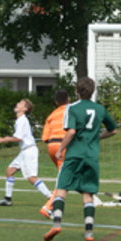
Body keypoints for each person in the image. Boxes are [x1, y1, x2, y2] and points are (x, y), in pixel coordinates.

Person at [43, 77, 117, 241]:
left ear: (77, 91)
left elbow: (71, 132)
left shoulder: (72, 108)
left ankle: (56, 224)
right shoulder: (100, 109)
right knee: (87, 193)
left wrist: (60, 149)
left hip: (74, 154)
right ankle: (89, 233)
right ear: (93, 91)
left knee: (62, 188)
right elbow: (113, 130)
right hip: (91, 156)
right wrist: (97, 137)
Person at [0, 98, 52, 208]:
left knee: (31, 178)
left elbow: (18, 138)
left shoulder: (22, 120)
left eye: (20, 103)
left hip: (29, 151)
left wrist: (4, 139)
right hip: (24, 151)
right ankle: (7, 199)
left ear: (25, 109)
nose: (17, 104)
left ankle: (51, 198)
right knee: (10, 171)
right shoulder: (19, 120)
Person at [39, 89, 70, 218]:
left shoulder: (52, 115)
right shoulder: (71, 111)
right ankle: (48, 207)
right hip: (63, 146)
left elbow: (45, 138)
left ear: (56, 102)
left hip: (51, 146)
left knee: (65, 175)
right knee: (64, 180)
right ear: (69, 99)